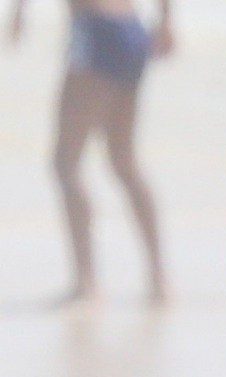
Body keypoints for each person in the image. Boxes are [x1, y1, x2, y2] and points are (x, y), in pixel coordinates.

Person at [8, 0, 174, 304]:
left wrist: (19, 12)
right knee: (124, 162)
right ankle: (159, 279)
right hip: (132, 29)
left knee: (66, 163)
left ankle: (87, 283)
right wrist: (166, 20)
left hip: (96, 29)